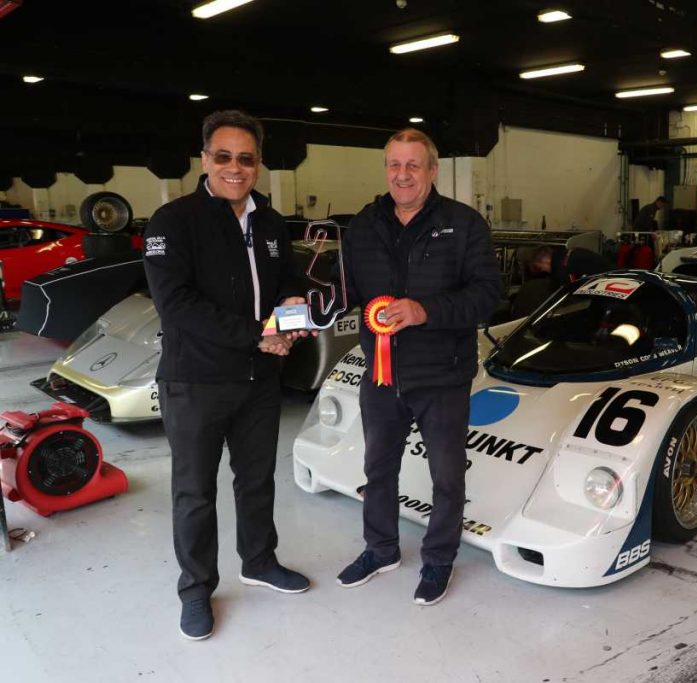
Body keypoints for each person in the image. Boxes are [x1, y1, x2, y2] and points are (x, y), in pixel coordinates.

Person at [143, 110, 311, 641]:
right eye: (223, 156)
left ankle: (259, 561)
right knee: (195, 492)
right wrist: (257, 334)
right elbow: (176, 304)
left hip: (259, 379)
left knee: (257, 480)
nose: (234, 168)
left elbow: (287, 279)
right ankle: (196, 589)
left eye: (246, 158)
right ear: (204, 159)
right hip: (195, 381)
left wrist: (294, 308)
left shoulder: (271, 222)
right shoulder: (173, 221)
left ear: (258, 164)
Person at [335, 129, 500, 606]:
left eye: (413, 165)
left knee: (446, 476)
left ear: (432, 169)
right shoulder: (363, 226)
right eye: (394, 164)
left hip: (443, 375)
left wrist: (425, 310)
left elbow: (488, 296)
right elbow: (344, 290)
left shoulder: (464, 224)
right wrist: (299, 309)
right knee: (377, 468)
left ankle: (439, 559)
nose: (402, 175)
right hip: (381, 374)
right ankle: (380, 549)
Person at [527, 244, 613, 284]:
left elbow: (570, 291)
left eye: (539, 267)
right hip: (612, 276)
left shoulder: (561, 269)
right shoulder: (564, 254)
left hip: (610, 286)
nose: (542, 270)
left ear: (545, 260)